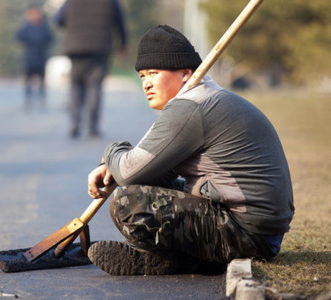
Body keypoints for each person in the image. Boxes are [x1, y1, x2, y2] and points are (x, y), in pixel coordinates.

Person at [86, 25, 295, 275]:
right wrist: (112, 164)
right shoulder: (207, 98)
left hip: (247, 232)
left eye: (153, 73)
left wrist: (111, 152)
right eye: (142, 76)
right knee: (143, 190)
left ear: (185, 74)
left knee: (129, 202)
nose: (146, 84)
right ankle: (178, 260)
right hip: (262, 233)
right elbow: (153, 175)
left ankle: (171, 260)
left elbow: (129, 174)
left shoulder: (191, 106)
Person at [56, 0, 127, 138]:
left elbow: (59, 19)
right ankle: (92, 127)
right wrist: (123, 43)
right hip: (99, 48)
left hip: (75, 48)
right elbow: (120, 22)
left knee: (75, 86)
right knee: (95, 86)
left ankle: (75, 123)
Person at [16, 5, 53, 111]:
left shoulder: (44, 27)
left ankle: (42, 100)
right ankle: (28, 100)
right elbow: (19, 37)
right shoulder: (26, 27)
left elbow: (50, 38)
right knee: (28, 80)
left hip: (41, 57)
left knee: (41, 81)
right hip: (29, 58)